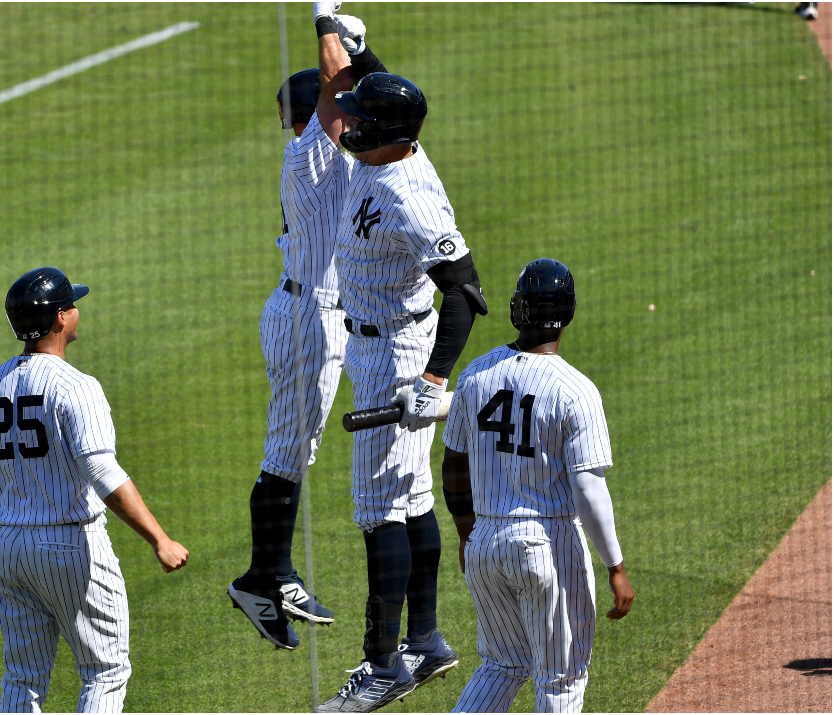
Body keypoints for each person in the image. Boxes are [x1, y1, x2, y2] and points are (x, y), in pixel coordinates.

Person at [309, 1, 491, 710]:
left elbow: (466, 291)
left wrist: (431, 378)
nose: (346, 120)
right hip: (375, 343)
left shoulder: (411, 199)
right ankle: (428, 641)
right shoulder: (392, 140)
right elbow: (375, 86)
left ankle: (381, 664)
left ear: (384, 134)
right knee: (412, 499)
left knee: (377, 510)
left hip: (399, 356)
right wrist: (355, 42)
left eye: (357, 117)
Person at [228, 11, 392, 650]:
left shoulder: (327, 157)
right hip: (308, 317)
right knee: (285, 452)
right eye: (342, 107)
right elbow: (337, 82)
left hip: (313, 313)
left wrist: (359, 45)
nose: (353, 113)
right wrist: (328, 21)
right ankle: (259, 579)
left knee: (296, 451)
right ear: (320, 113)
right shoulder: (312, 156)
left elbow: (365, 91)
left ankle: (276, 571)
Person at [0, 267, 189, 713]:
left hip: (9, 547)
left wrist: (19, 510)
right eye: (71, 304)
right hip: (71, 543)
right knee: (105, 671)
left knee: (23, 677)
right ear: (60, 320)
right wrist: (159, 540)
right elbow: (103, 472)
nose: (76, 310)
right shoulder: (77, 387)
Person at [442, 259, 634, 713]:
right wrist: (615, 565)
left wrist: (468, 533)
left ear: (517, 309)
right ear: (567, 313)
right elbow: (588, 491)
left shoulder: (476, 374)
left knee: (501, 665)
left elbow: (453, 465)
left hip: (486, 542)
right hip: (547, 545)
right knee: (560, 680)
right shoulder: (575, 391)